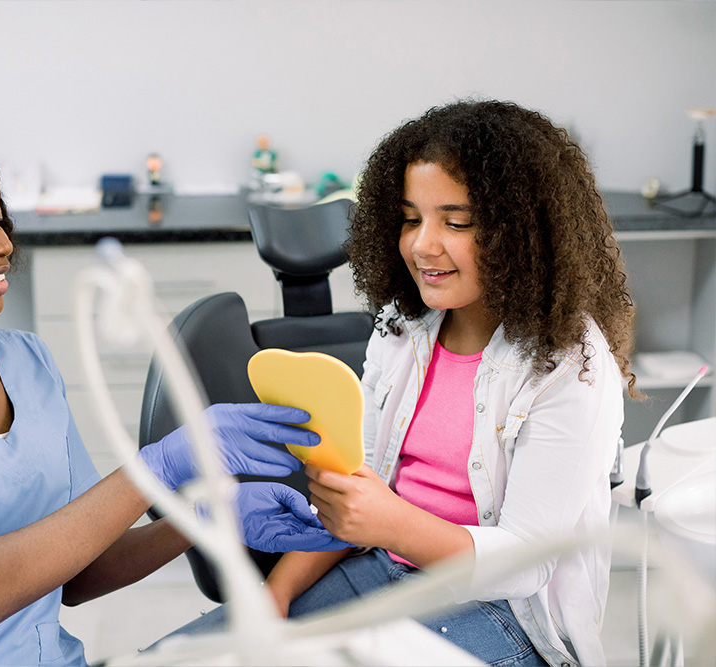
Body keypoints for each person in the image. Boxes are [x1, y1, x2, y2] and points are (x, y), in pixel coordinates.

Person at [0, 111, 344, 666]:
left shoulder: (26, 362)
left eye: (0, 220)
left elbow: (81, 572)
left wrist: (205, 513)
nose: (2, 244)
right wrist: (154, 470)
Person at [167, 100, 636, 667]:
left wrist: (391, 523)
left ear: (523, 232)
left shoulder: (569, 364)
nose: (422, 245)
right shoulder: (402, 329)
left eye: (457, 222)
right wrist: (279, 593)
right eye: (412, 219)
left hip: (509, 614)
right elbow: (359, 490)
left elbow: (525, 565)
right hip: (386, 567)